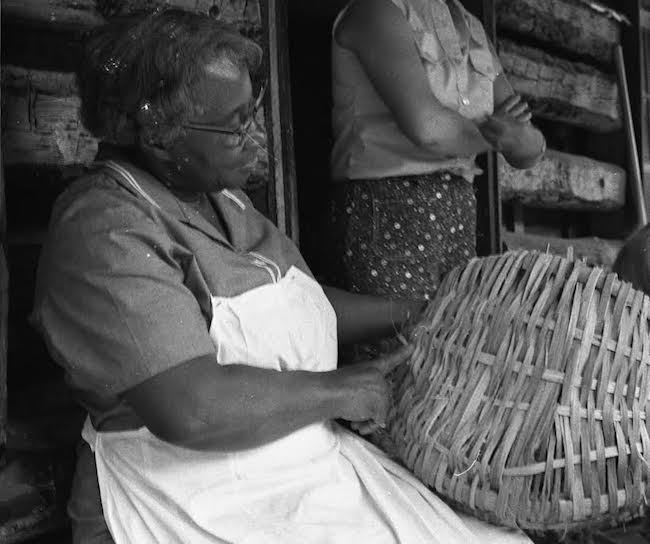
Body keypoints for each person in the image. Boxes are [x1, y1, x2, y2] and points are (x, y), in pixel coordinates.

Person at [32, 10, 531, 544]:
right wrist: (342, 390)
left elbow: (299, 309)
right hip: (188, 498)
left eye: (254, 115)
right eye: (235, 126)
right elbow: (192, 409)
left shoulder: (224, 201)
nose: (257, 139)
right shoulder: (106, 230)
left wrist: (421, 311)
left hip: (297, 472)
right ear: (157, 135)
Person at [330, 0, 546, 300]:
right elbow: (427, 127)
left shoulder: (469, 25)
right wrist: (501, 137)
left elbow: (529, 148)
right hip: (389, 204)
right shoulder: (377, 10)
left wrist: (521, 140)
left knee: (446, 338)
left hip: (456, 206)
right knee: (397, 336)